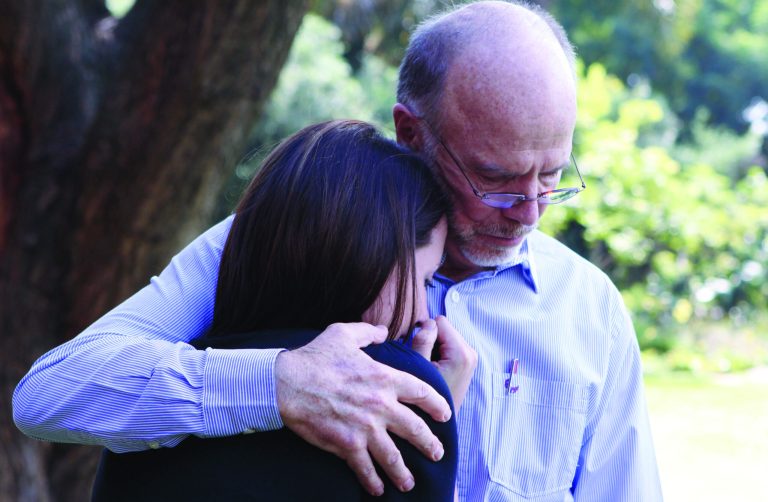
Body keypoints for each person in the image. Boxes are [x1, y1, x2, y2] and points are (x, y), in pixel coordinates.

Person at [14, 1, 663, 500]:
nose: (530, 210)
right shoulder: (283, 239)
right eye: (494, 176)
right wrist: (279, 383)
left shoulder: (590, 311)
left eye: (552, 174)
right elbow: (50, 394)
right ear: (412, 131)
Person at [90, 119, 475, 501]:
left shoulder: (147, 395)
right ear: (373, 256)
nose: (424, 313)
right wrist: (437, 415)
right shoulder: (393, 392)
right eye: (425, 279)